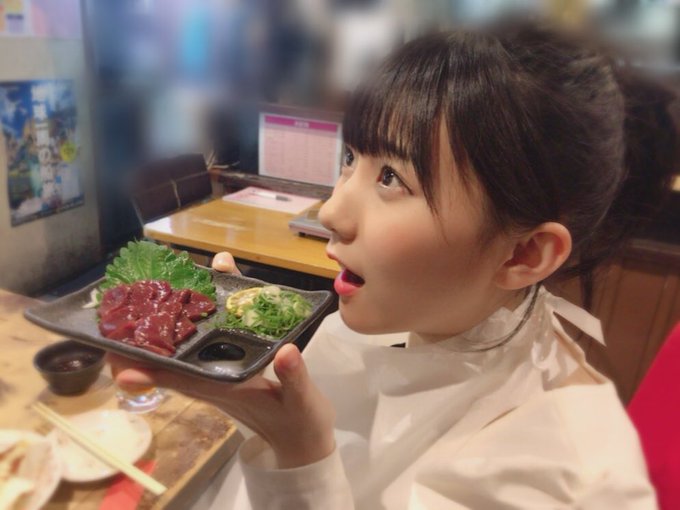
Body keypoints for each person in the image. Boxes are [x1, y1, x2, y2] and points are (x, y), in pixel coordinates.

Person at [111, 20, 677, 509]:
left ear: (523, 253)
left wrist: (300, 452)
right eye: (351, 157)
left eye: (391, 178)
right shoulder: (422, 308)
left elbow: (314, 452)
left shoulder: (566, 479)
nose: (331, 212)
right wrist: (245, 365)